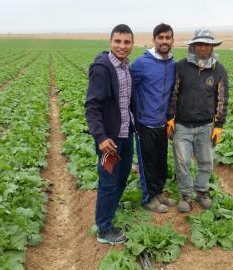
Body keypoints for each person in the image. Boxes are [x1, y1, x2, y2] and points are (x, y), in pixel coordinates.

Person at [167, 28, 229, 213]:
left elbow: (222, 99)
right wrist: (170, 118)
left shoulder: (219, 70)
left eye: (206, 44)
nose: (202, 48)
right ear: (193, 46)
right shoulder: (181, 66)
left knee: (206, 162)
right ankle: (186, 194)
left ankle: (202, 190)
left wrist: (219, 125)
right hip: (182, 126)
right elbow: (173, 94)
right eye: (199, 44)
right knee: (183, 162)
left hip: (205, 126)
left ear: (211, 47)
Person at [85, 24, 135, 244]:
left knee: (122, 178)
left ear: (132, 44)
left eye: (126, 42)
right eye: (118, 41)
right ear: (110, 42)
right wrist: (101, 137)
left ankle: (109, 215)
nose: (122, 46)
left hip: (126, 135)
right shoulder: (103, 68)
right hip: (110, 141)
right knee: (108, 182)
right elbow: (92, 106)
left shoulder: (126, 67)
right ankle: (104, 230)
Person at [131, 23, 177, 213]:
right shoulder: (142, 63)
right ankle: (148, 198)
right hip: (145, 123)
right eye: (161, 38)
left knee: (160, 161)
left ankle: (158, 193)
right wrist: (135, 111)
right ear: (154, 40)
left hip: (162, 123)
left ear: (172, 40)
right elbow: (128, 86)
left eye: (168, 38)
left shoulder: (172, 63)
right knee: (147, 162)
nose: (164, 41)